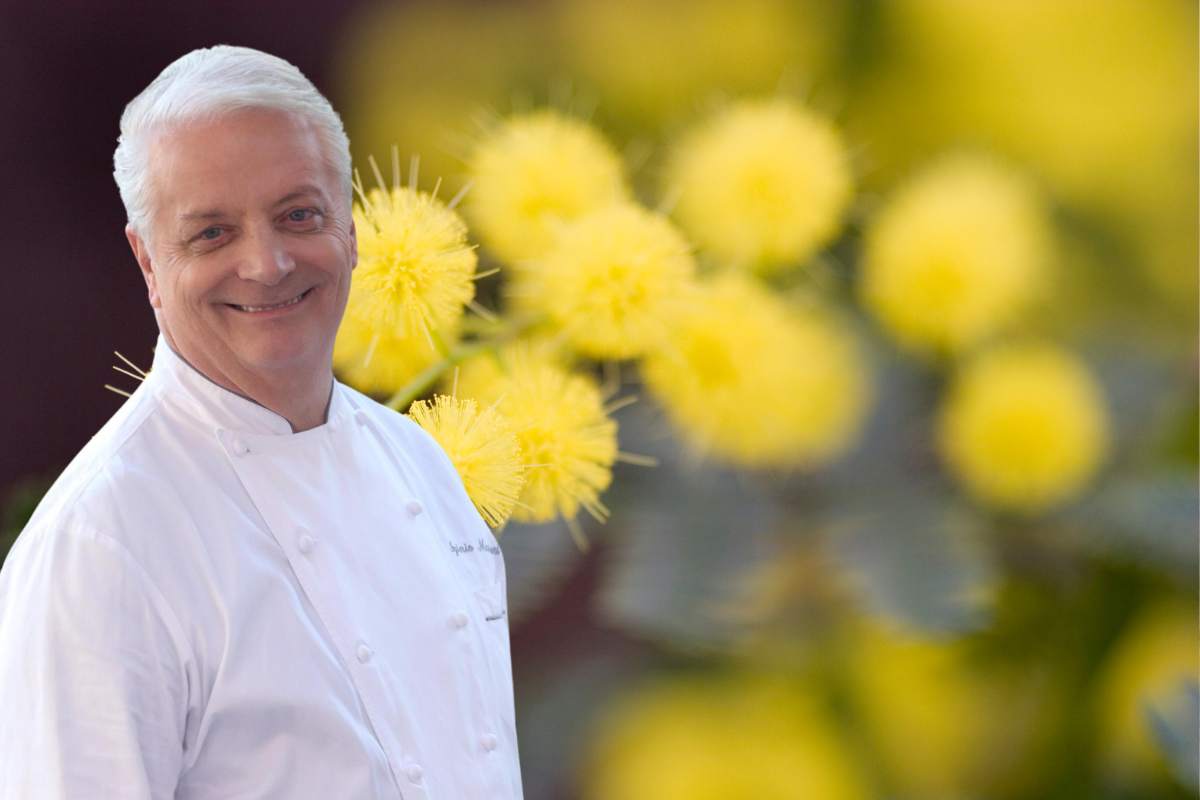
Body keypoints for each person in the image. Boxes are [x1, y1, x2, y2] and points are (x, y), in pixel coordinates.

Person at [0, 45, 523, 799]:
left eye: (298, 214)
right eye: (212, 232)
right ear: (147, 261)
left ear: (349, 225)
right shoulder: (100, 546)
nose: (268, 262)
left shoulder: (423, 467)